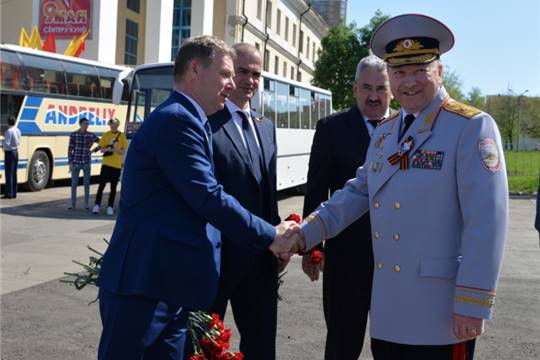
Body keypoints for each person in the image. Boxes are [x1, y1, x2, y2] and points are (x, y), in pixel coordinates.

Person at [291, 14, 508, 360]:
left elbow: (487, 222)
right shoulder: (386, 132)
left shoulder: (470, 128)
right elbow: (358, 191)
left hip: (441, 315)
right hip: (389, 310)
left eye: (419, 70)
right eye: (399, 72)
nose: (408, 82)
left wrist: (473, 301)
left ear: (439, 71)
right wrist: (304, 233)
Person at [96, 36, 302, 360]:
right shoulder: (177, 120)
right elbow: (208, 196)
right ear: (194, 69)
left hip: (168, 286)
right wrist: (270, 236)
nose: (232, 84)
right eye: (225, 74)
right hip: (145, 286)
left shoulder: (192, 119)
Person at [301, 55, 392, 360]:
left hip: (395, 264)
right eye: (366, 87)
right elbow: (316, 190)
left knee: (394, 346)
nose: (374, 96)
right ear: (354, 89)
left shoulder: (409, 131)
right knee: (342, 344)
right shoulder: (331, 128)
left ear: (391, 91)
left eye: (381, 87)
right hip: (345, 260)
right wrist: (312, 248)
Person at [207, 43, 282, 359]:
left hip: (260, 259)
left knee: (261, 346)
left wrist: (279, 241)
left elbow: (268, 193)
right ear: (227, 71)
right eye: (242, 71)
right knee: (204, 346)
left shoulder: (266, 127)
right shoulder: (206, 122)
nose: (250, 80)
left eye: (256, 74)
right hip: (215, 261)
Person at [92, 118, 128, 216]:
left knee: (113, 187)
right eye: (112, 124)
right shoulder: (106, 135)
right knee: (101, 185)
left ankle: (110, 206)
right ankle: (97, 205)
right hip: (106, 164)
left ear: (118, 125)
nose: (114, 126)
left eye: (115, 124)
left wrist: (116, 150)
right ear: (110, 125)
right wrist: (108, 148)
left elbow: (123, 151)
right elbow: (101, 149)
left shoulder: (122, 136)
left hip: (116, 165)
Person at [67, 117, 99, 210]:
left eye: (87, 124)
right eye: (85, 123)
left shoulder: (91, 135)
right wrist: (70, 162)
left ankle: (86, 204)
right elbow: (70, 149)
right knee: (74, 184)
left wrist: (94, 150)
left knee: (86, 184)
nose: (86, 125)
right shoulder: (73, 135)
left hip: (86, 162)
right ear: (80, 124)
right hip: (76, 162)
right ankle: (72, 204)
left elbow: (101, 142)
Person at [1, 116, 21, 199]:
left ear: (8, 122)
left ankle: (9, 194)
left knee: (8, 173)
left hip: (9, 153)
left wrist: (2, 142)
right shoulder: (18, 130)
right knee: (14, 173)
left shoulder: (8, 131)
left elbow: (7, 143)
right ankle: (14, 193)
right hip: (16, 152)